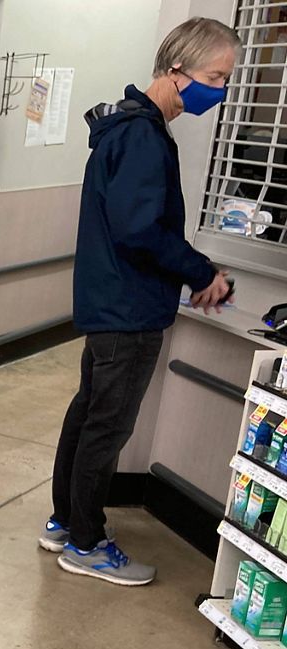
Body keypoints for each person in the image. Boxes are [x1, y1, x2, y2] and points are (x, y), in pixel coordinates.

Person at [40, 17, 238, 587]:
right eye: (214, 76)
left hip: (111, 304)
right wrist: (203, 272)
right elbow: (140, 230)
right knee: (107, 425)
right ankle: (86, 541)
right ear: (176, 71)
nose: (220, 91)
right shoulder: (143, 137)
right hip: (128, 310)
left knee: (88, 415)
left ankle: (65, 521)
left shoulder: (125, 128)